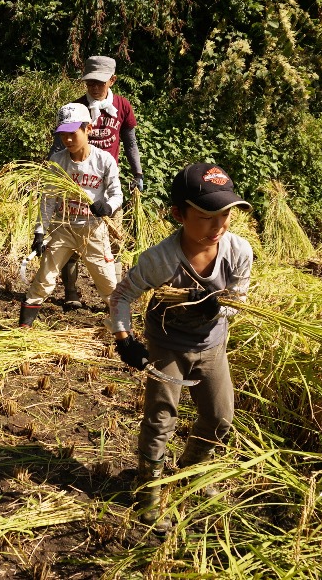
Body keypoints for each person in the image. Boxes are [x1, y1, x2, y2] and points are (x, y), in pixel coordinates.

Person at [109, 162, 253, 532]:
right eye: (206, 217)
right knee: (160, 419)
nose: (218, 226)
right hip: (168, 346)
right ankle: (148, 493)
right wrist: (124, 338)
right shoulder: (161, 259)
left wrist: (218, 305)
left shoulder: (238, 251)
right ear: (179, 214)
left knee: (220, 417)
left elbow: (239, 298)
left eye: (225, 215)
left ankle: (190, 471)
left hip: (211, 346)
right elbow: (121, 295)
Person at [19, 102, 122, 328]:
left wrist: (107, 207)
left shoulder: (104, 160)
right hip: (63, 227)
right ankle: (24, 328)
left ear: (89, 129)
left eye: (73, 133)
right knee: (44, 279)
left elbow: (117, 195)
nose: (67, 140)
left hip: (93, 229)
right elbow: (48, 200)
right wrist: (39, 232)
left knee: (107, 283)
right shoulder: (57, 162)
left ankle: (121, 329)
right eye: (63, 134)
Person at [55, 55, 145, 309]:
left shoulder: (123, 106)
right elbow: (60, 144)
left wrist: (137, 174)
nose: (94, 88)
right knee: (70, 234)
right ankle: (71, 292)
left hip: (107, 181)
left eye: (100, 83)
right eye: (90, 83)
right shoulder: (77, 107)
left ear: (112, 80)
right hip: (77, 180)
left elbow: (130, 142)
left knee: (112, 240)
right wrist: (51, 170)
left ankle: (113, 296)